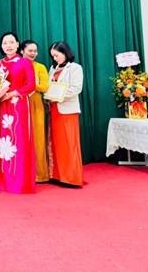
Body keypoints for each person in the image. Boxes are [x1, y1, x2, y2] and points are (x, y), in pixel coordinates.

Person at [0, 32, 36, 194]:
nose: (8, 45)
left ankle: (19, 181)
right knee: (2, 140)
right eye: (5, 43)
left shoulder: (24, 62)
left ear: (18, 44)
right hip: (2, 105)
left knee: (19, 139)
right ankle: (2, 180)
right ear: (1, 46)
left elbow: (31, 85)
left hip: (18, 105)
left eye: (11, 42)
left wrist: (12, 94)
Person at [46, 41, 84, 187]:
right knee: (56, 143)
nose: (55, 58)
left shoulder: (75, 68)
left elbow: (76, 89)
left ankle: (71, 178)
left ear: (65, 52)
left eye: (56, 55)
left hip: (67, 110)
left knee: (69, 143)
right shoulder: (53, 68)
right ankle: (57, 175)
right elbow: (49, 87)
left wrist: (56, 96)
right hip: (54, 110)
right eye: (53, 56)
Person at [20, 40, 50, 183]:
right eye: (30, 50)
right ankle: (21, 173)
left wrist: (32, 84)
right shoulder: (16, 65)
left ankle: (39, 174)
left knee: (37, 138)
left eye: (35, 51)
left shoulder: (40, 67)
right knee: (21, 137)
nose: (33, 53)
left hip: (36, 104)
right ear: (22, 51)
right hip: (19, 103)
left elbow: (45, 87)